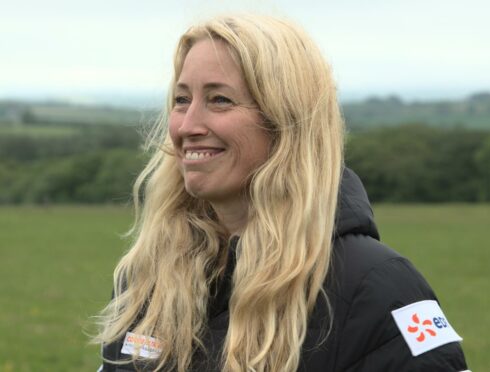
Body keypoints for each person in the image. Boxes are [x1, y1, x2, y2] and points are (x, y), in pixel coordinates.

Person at [94, 14, 470, 372]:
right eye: (181, 100)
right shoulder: (149, 277)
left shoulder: (381, 290)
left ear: (285, 119)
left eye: (219, 99)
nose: (188, 125)